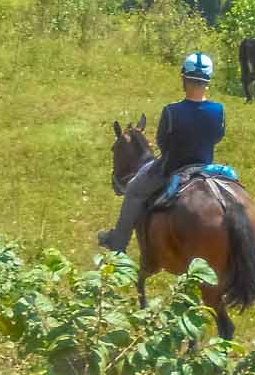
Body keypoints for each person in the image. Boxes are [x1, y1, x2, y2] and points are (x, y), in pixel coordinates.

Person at [97, 51, 226, 253]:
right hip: (206, 167)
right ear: (207, 82)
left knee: (133, 190)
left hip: (172, 168)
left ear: (184, 79)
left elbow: (162, 143)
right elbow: (218, 137)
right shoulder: (219, 110)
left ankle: (118, 243)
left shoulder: (171, 111)